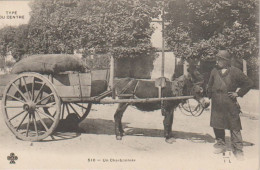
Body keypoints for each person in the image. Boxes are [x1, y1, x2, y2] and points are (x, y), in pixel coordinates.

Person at [207, 50, 253, 160]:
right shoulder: (214, 71)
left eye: (219, 59)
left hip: (230, 103)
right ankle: (220, 144)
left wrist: (238, 93)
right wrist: (207, 97)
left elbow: (249, 83)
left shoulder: (236, 72)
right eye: (217, 59)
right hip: (216, 103)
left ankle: (238, 150)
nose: (217, 61)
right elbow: (209, 85)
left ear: (226, 61)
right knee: (217, 124)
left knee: (234, 126)